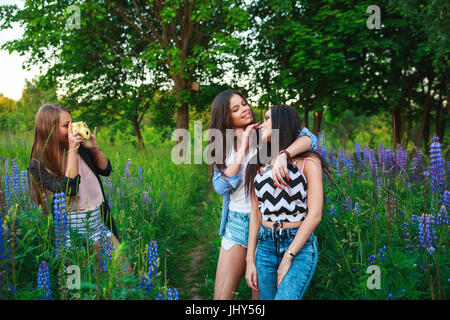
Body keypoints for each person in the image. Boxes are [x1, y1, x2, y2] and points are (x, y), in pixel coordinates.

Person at [209, 90, 318, 300]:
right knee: (221, 297)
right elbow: (222, 187)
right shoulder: (221, 146)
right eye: (236, 108)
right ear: (225, 117)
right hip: (238, 224)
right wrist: (243, 149)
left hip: (269, 225)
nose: (245, 109)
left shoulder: (266, 132)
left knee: (259, 296)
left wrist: (283, 155)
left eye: (244, 103)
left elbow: (310, 139)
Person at [29, 104, 131, 274]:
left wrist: (94, 148)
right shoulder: (39, 164)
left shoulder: (82, 148)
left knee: (124, 274)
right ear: (50, 129)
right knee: (79, 286)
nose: (73, 128)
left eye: (72, 123)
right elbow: (70, 189)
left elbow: (106, 170)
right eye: (65, 125)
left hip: (98, 222)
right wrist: (73, 150)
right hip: (70, 232)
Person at [244, 105, 332, 300]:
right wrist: (250, 259)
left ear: (282, 123)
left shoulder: (308, 162)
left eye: (267, 119)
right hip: (265, 246)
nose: (262, 124)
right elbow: (256, 214)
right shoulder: (257, 164)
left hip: (298, 246)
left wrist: (289, 255)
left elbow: (315, 214)